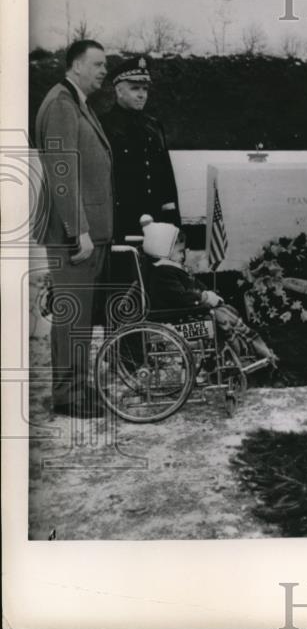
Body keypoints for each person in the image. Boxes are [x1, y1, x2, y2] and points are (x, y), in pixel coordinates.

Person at [34, 39, 112, 417]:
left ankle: (79, 387)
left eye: (105, 65)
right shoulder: (62, 104)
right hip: (74, 234)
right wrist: (78, 229)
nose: (103, 72)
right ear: (76, 65)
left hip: (86, 230)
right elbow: (60, 171)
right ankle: (67, 394)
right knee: (71, 316)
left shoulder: (77, 102)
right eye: (97, 64)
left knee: (80, 316)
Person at [139, 216, 278, 371]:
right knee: (222, 316)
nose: (183, 254)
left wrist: (208, 293)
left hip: (185, 312)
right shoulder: (163, 272)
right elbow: (180, 296)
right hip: (175, 316)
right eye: (180, 251)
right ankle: (243, 353)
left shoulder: (173, 269)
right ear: (163, 250)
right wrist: (203, 297)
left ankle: (246, 352)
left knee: (227, 311)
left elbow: (195, 285)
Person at [100, 57, 180, 240]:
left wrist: (172, 219)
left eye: (145, 89)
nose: (141, 94)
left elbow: (166, 177)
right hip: (121, 221)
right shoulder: (104, 126)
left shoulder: (153, 126)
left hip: (156, 222)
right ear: (119, 91)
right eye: (134, 88)